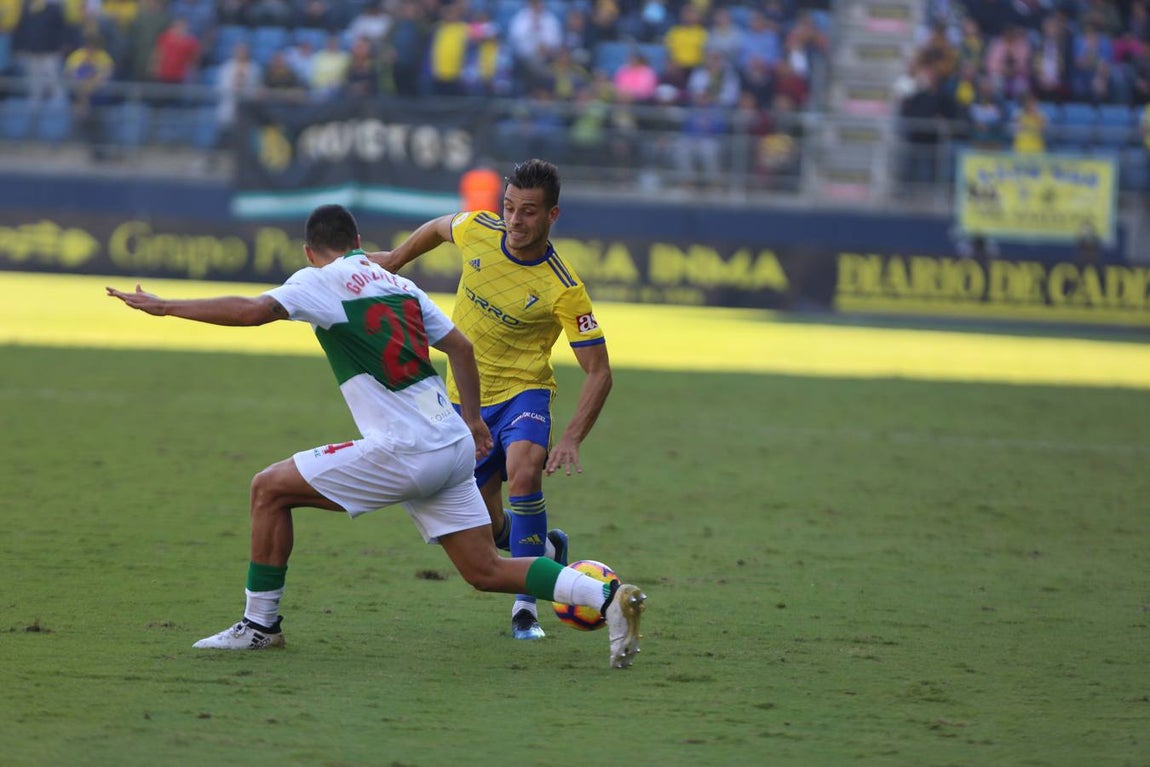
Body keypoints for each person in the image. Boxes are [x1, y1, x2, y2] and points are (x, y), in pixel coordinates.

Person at [105, 204, 646, 669]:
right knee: (485, 570)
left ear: (309, 250)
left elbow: (253, 311)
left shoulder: (319, 279)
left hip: (406, 450)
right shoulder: (401, 285)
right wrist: (476, 422)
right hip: (452, 444)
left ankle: (259, 626)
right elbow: (460, 346)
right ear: (360, 244)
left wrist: (167, 306)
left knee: (268, 489)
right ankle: (606, 595)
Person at [368, 160, 614, 641]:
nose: (515, 221)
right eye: (509, 208)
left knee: (525, 467)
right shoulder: (479, 229)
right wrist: (396, 259)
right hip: (465, 401)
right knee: (487, 519)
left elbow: (599, 371)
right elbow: (440, 228)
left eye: (527, 212)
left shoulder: (564, 288)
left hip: (524, 392)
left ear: (552, 216)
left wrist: (570, 437)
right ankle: (544, 546)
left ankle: (526, 606)